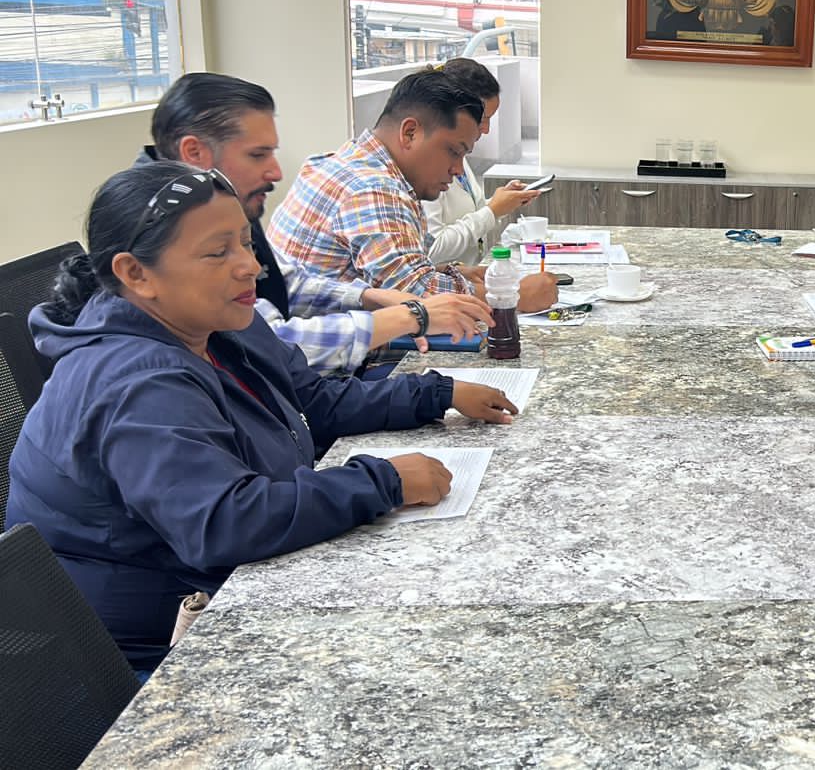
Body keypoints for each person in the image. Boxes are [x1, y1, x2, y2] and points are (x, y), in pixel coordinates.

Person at [4, 162, 521, 676]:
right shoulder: (135, 382)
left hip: (227, 588)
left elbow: (311, 401)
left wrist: (434, 393)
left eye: (246, 244)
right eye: (218, 252)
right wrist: (383, 481)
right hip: (157, 655)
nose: (249, 266)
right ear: (135, 274)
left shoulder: (216, 321)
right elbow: (224, 523)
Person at [139, 72, 492, 375]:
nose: (276, 172)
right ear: (194, 153)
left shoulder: (212, 203)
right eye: (258, 155)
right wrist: (410, 316)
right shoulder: (157, 234)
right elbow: (269, 344)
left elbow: (281, 282)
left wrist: (366, 296)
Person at [267, 69, 558, 313]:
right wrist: (510, 295)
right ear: (410, 133)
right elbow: (417, 297)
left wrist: (453, 273)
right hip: (333, 360)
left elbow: (406, 271)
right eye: (453, 151)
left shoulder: (349, 162)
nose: (457, 169)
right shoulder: (373, 188)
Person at [423, 58, 541, 266]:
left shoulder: (458, 154)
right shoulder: (426, 166)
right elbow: (432, 249)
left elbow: (468, 214)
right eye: (483, 118)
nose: (486, 129)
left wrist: (501, 202)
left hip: (469, 276)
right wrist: (492, 210)